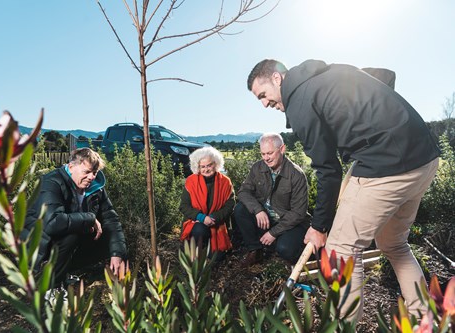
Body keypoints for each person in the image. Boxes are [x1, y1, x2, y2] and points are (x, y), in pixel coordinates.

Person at [247, 59, 440, 319]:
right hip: (424, 158)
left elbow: (328, 171)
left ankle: (345, 326)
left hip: (388, 166)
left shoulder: (300, 102)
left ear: (277, 78)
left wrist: (318, 227)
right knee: (393, 244)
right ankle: (425, 319)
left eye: (263, 95)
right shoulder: (332, 72)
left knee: (342, 250)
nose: (264, 104)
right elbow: (385, 75)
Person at [24, 148, 127, 297]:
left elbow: (111, 219)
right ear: (71, 167)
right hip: (39, 245)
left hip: (64, 243)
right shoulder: (51, 182)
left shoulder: (96, 188)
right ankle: (49, 288)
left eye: (95, 172)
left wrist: (117, 253)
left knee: (110, 239)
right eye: (87, 172)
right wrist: (90, 218)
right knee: (71, 236)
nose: (91, 177)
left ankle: (62, 272)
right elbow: (52, 223)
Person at [234, 133, 310, 268]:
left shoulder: (296, 175)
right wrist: (258, 210)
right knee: (240, 209)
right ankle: (255, 250)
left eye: (269, 153)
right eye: (263, 154)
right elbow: (243, 192)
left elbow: (298, 213)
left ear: (282, 149)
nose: (266, 158)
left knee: (285, 249)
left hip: (288, 223)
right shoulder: (257, 167)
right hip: (266, 218)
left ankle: (293, 253)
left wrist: (273, 233)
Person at [179, 146, 235, 257]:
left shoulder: (225, 181)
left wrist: (214, 217)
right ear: (198, 167)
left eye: (209, 165)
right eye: (202, 166)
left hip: (217, 223)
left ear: (216, 164)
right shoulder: (191, 181)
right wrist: (202, 218)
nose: (206, 169)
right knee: (200, 230)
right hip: (196, 222)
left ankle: (209, 249)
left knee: (218, 257)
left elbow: (230, 205)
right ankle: (195, 249)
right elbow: (184, 206)